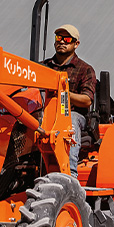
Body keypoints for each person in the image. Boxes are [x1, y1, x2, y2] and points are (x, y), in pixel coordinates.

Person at [42, 24, 96, 178]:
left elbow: (86, 100)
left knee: (69, 121)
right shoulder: (43, 67)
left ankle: (69, 173)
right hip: (44, 113)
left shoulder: (85, 69)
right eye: (59, 38)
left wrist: (62, 93)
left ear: (76, 44)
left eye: (67, 39)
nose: (61, 41)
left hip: (73, 114)